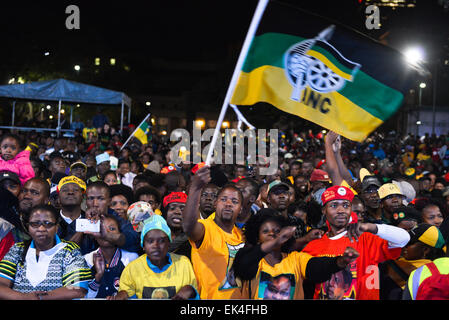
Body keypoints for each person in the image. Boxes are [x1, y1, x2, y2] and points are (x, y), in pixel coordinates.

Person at [301, 185, 410, 300]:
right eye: (334, 205)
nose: (341, 210)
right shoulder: (313, 246)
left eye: (346, 205)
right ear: (324, 210)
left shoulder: (365, 239)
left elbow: (403, 238)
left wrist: (371, 227)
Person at [232, 208, 359, 300]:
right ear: (257, 237)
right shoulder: (252, 260)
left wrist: (341, 261)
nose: (272, 234)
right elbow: (243, 264)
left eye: (277, 231)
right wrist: (276, 240)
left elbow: (318, 268)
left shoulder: (296, 259)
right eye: (266, 231)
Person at [0, 204, 92, 300]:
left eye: (48, 223)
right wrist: (24, 297)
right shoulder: (17, 250)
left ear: (56, 227)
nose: (41, 229)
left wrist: (40, 297)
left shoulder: (69, 250)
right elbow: (1, 285)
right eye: (35, 224)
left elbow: (77, 288)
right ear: (28, 227)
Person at [183, 165, 245, 299]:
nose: (228, 204)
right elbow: (188, 227)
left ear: (240, 209)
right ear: (215, 203)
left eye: (234, 201)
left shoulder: (243, 236)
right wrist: (195, 188)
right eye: (223, 199)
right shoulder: (205, 228)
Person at [108, 215, 198, 300]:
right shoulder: (132, 268)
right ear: (143, 245)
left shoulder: (183, 263)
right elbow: (127, 295)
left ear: (169, 243)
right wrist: (123, 294)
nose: (156, 245)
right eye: (150, 241)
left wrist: (191, 290)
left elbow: (196, 298)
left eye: (162, 241)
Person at [379, 223, 445, 300]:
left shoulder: (423, 271)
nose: (404, 246)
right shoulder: (439, 268)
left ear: (425, 250)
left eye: (409, 243)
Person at [84, 214, 138, 298]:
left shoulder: (131, 258)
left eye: (112, 229)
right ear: (95, 235)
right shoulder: (87, 260)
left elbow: (137, 292)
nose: (105, 233)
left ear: (119, 234)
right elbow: (85, 297)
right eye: (101, 229)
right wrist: (98, 277)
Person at [161, 192, 191, 259]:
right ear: (165, 213)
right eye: (172, 208)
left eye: (182, 209)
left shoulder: (193, 240)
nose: (177, 212)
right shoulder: (155, 235)